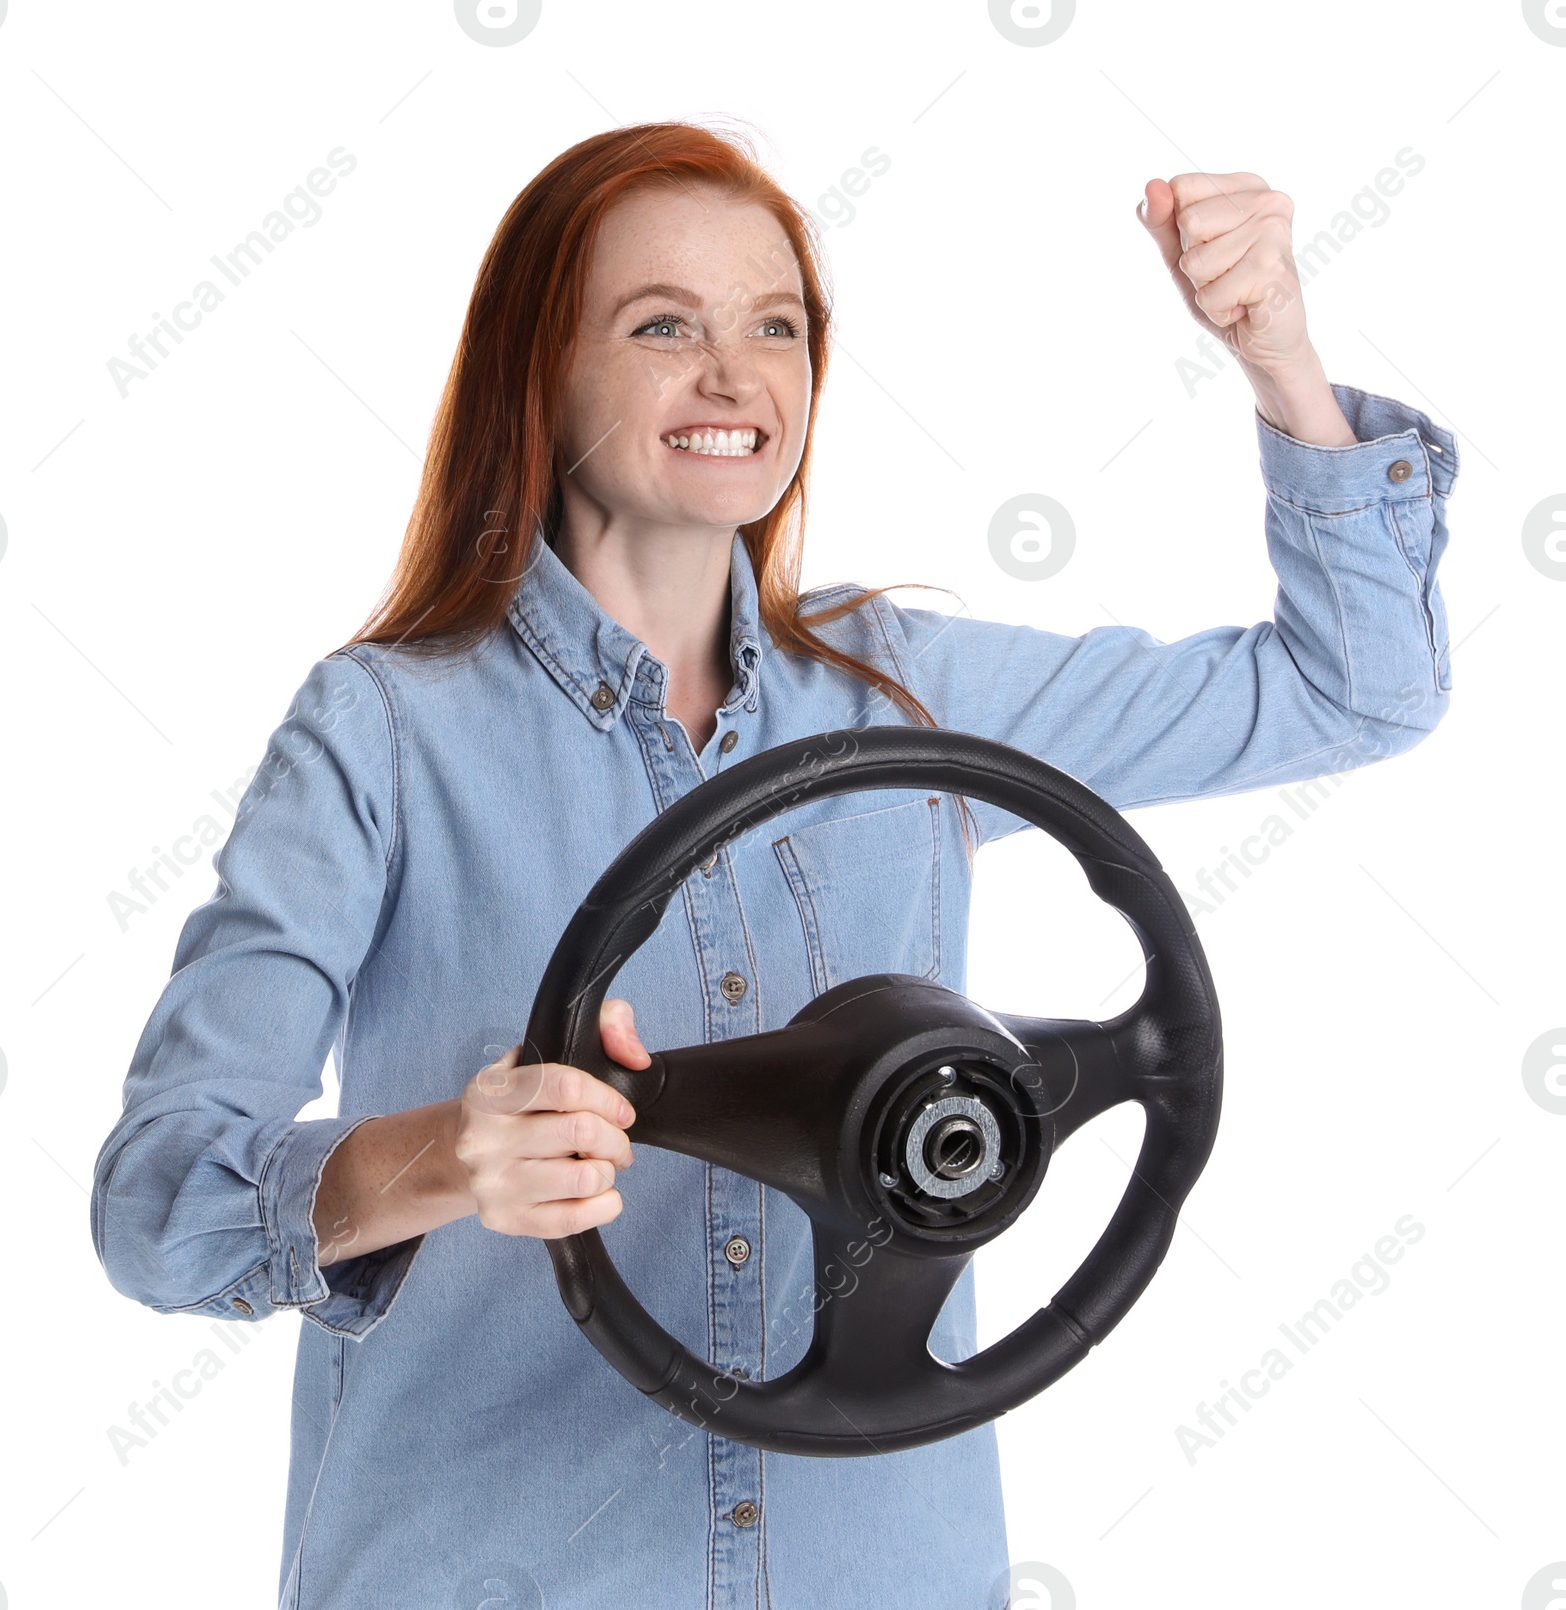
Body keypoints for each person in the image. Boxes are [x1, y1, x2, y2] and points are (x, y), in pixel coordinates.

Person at [88, 121, 1458, 1610]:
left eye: (778, 327)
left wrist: (1279, 358)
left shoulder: (908, 686)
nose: (736, 376)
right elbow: (159, 1208)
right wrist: (444, 1157)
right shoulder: (384, 731)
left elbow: (1358, 690)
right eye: (664, 324)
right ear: (538, 369)